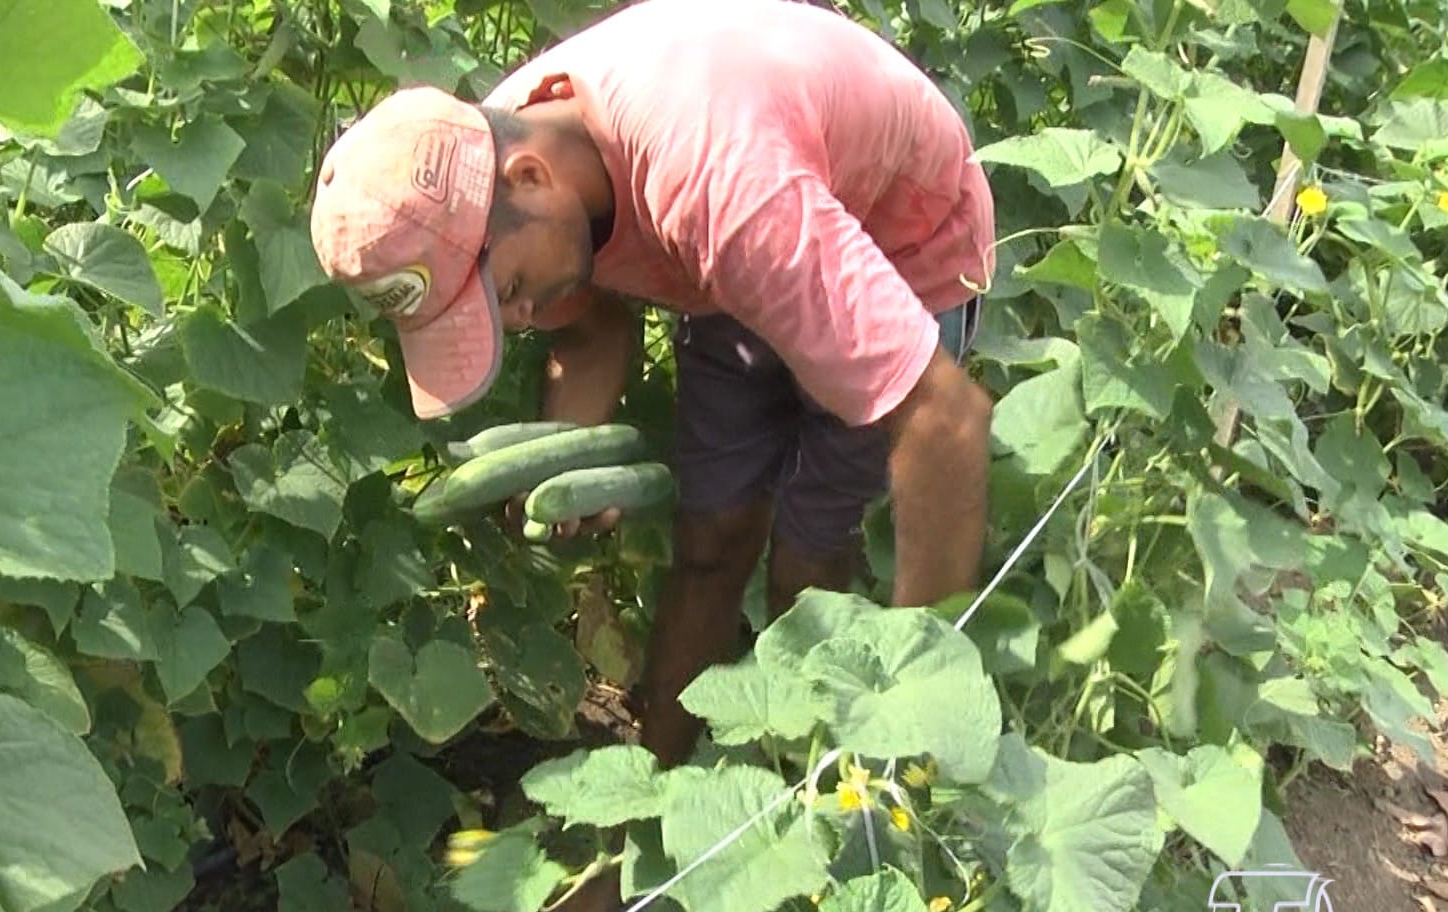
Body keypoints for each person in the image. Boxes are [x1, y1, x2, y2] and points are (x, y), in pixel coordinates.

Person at [309, 0, 996, 771]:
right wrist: (568, 457)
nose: (522, 316)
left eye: (504, 293)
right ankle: (652, 814)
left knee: (810, 552)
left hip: (891, 230)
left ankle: (836, 791)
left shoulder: (717, 187)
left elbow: (946, 421)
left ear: (530, 178)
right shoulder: (481, 158)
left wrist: (915, 698)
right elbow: (589, 324)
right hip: (732, 250)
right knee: (709, 538)